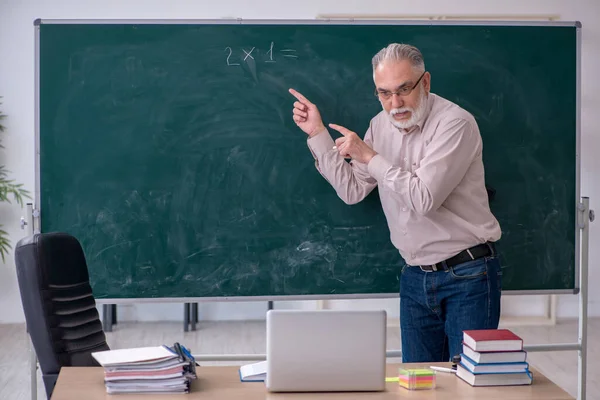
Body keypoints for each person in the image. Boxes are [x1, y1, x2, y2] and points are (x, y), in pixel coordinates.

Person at [289, 43, 502, 363]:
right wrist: (317, 133)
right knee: (418, 383)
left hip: (468, 275)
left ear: (426, 82)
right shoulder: (379, 125)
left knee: (467, 385)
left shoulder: (455, 124)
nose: (395, 103)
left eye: (404, 89)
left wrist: (369, 156)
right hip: (415, 277)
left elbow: (424, 198)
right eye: (384, 93)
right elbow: (352, 190)